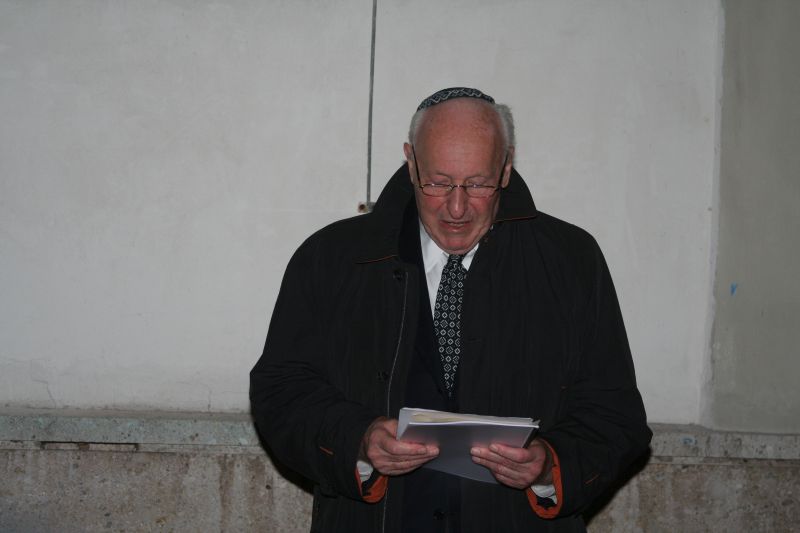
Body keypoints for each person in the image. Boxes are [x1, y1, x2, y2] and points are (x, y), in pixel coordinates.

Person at [250, 87, 651, 532]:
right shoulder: (332, 258)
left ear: (506, 168)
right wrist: (357, 440)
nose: (457, 208)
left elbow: (615, 413)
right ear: (410, 162)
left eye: (477, 184)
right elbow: (281, 391)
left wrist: (549, 466)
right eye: (438, 183)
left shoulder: (571, 261)